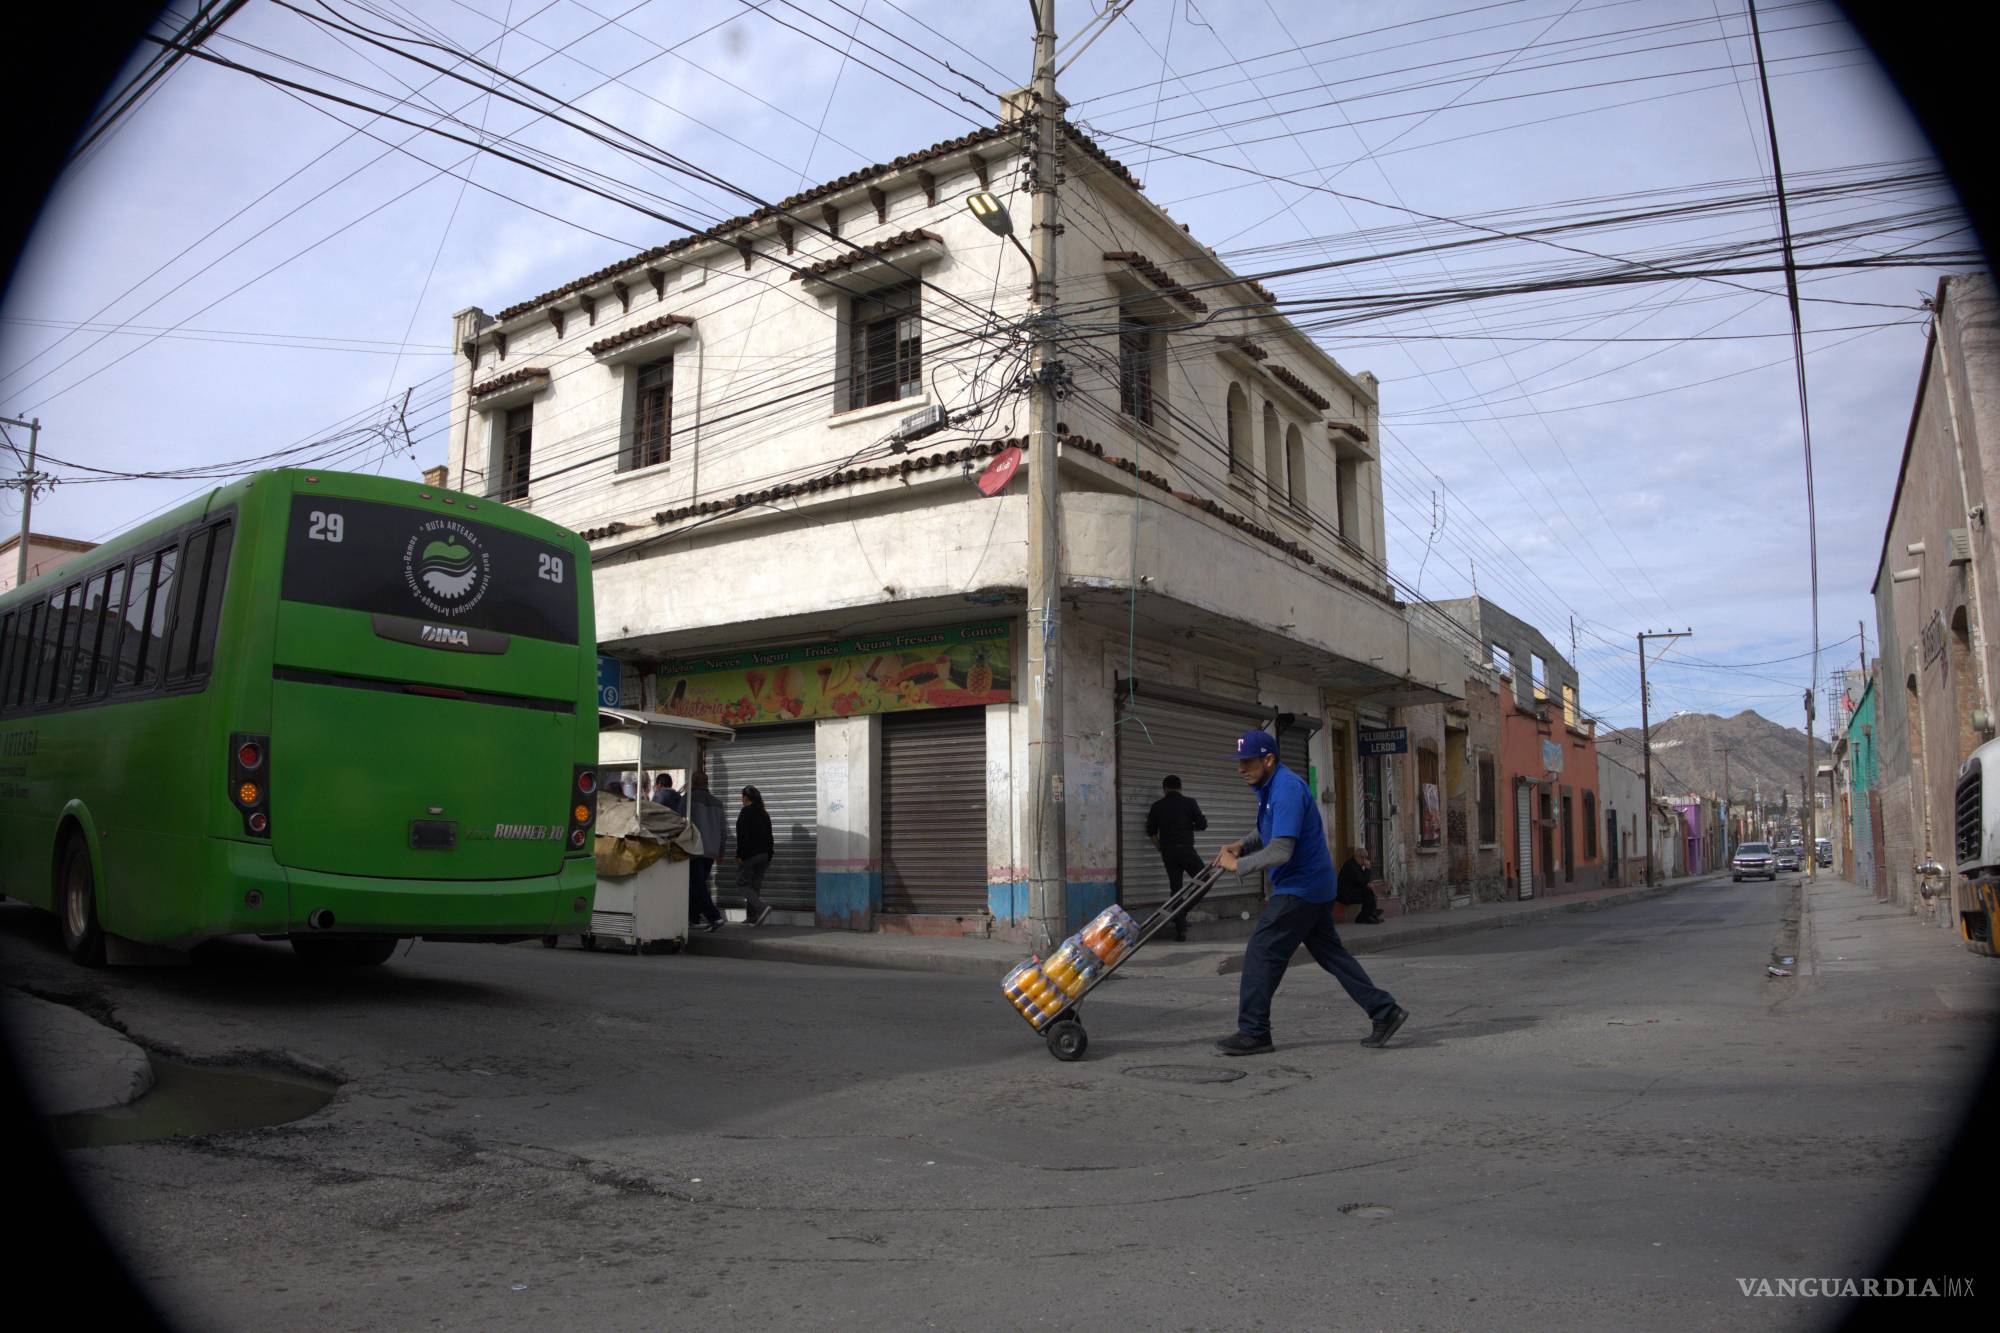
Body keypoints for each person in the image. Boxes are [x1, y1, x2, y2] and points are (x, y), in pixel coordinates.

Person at [1213, 731, 1408, 1056]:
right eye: (1239, 763)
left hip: (1299, 888)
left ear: (1268, 759)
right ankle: (1385, 1012)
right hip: (1315, 887)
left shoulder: (1286, 788)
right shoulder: (1271, 787)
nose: (1240, 769)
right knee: (1332, 955)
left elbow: (1281, 850)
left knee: (1262, 951)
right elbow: (1271, 829)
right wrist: (1243, 843)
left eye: (1246, 762)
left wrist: (1239, 864)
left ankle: (1254, 1032)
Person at [1145, 775, 1208, 942]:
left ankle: (1180, 930)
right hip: (1186, 850)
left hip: (1168, 853)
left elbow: (1150, 831)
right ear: (1180, 788)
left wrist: (1160, 847)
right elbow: (1203, 825)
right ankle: (1183, 910)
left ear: (1164, 789)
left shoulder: (1157, 806)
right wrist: (1189, 825)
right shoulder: (1190, 803)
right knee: (1206, 879)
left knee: (1176, 889)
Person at [684, 769, 727, 932]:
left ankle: (714, 916)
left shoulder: (688, 800)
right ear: (707, 783)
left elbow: (679, 822)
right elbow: (724, 831)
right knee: (698, 884)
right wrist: (721, 852)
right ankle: (693, 918)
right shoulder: (718, 803)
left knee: (696, 885)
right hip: (711, 851)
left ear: (693, 783)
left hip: (694, 850)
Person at [735, 785, 776, 926]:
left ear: (745, 797)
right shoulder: (764, 813)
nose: (741, 799)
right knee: (754, 887)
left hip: (751, 855)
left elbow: (742, 836)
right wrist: (769, 854)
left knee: (741, 884)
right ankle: (751, 917)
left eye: (742, 796)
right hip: (764, 855)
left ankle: (762, 908)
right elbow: (770, 836)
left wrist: (740, 855)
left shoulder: (746, 811)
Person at [1337, 847, 1384, 924]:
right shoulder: (1351, 866)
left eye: (1366, 857)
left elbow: (1363, 881)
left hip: (1352, 891)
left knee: (1368, 891)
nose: (1364, 860)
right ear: (1357, 856)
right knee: (1367, 893)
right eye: (1362, 857)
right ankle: (1364, 917)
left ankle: (1371, 914)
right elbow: (1362, 881)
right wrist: (1367, 869)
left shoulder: (1357, 865)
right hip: (1345, 895)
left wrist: (1368, 883)